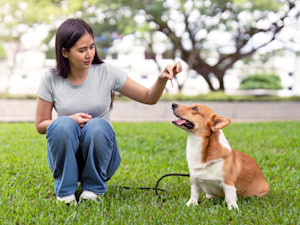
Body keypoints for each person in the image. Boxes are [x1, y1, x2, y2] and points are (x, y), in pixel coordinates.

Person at [35, 18, 182, 205]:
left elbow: (148, 97)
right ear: (64, 52)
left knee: (97, 125)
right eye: (81, 50)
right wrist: (69, 120)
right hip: (66, 157)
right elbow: (41, 125)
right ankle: (65, 193)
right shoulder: (50, 79)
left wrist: (161, 78)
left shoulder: (107, 72)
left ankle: (93, 190)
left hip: (101, 156)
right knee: (62, 124)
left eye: (91, 47)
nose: (89, 54)